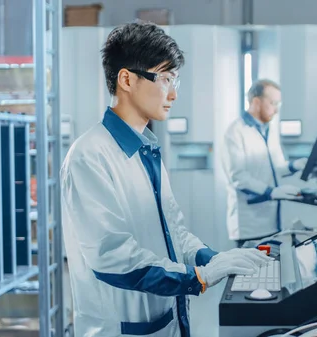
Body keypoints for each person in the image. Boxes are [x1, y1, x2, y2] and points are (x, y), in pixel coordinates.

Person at [61, 21, 272, 337]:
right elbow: (113, 258)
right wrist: (196, 277)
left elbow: (174, 233)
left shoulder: (146, 148)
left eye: (176, 81)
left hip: (166, 321)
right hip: (123, 330)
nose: (173, 93)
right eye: (165, 79)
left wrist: (215, 259)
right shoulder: (89, 156)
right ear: (127, 79)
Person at [221, 79, 308, 248]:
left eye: (278, 104)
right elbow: (239, 178)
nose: (276, 109)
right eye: (273, 103)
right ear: (256, 102)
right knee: (254, 272)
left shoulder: (270, 129)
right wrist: (271, 192)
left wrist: (294, 166)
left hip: (272, 221)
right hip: (250, 225)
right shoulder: (235, 132)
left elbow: (275, 167)